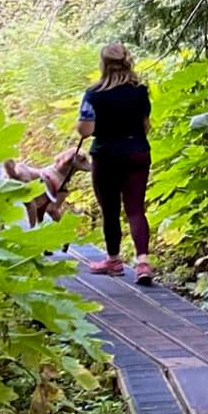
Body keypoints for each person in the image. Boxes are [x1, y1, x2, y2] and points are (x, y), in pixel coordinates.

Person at [79, 42, 154, 284]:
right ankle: (143, 263)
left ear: (103, 63)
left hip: (106, 154)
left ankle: (113, 260)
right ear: (127, 60)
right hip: (137, 152)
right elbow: (145, 122)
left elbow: (86, 130)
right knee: (135, 209)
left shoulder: (93, 94)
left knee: (110, 210)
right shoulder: (140, 90)